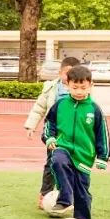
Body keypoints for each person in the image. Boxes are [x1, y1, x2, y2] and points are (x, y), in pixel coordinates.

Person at [42, 64, 110, 219]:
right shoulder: (60, 105)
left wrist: (103, 157)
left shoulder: (94, 109)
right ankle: (65, 199)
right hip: (63, 146)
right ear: (67, 85)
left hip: (84, 156)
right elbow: (49, 123)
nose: (79, 91)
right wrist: (49, 137)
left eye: (83, 87)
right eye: (75, 87)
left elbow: (103, 133)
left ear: (91, 86)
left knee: (82, 194)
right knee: (57, 159)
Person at [24, 56, 81, 208]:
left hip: (74, 135)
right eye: (66, 73)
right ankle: (45, 195)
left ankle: (68, 197)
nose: (69, 78)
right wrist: (31, 126)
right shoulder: (50, 88)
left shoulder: (81, 90)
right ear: (60, 72)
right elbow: (39, 108)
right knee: (51, 164)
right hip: (54, 134)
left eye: (73, 74)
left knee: (71, 166)